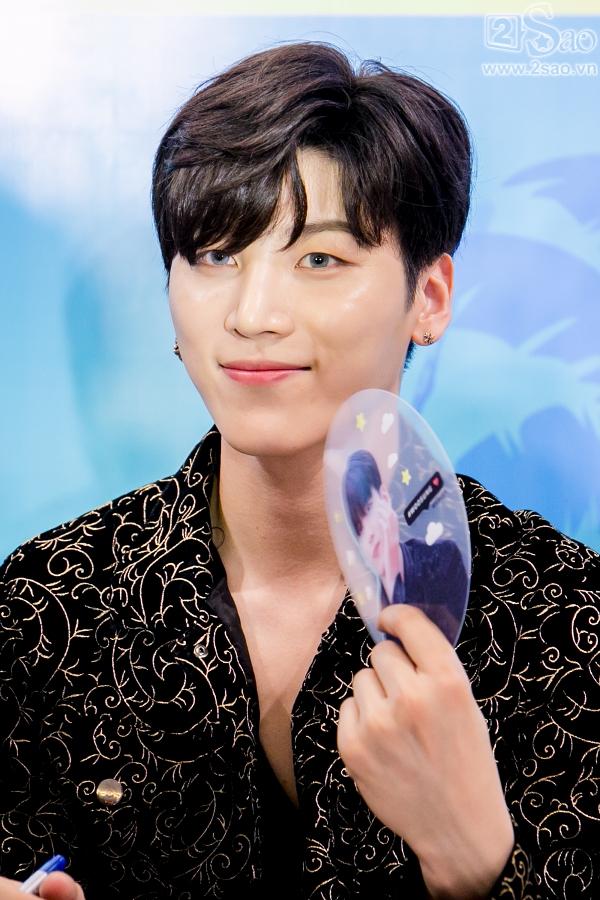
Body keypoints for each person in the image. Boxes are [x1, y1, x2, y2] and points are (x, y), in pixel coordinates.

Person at [0, 41, 598, 900]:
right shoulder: (51, 604)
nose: (252, 314)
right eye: (215, 255)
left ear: (429, 297)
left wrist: (475, 862)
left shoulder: (563, 617)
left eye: (320, 260)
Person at [343, 448, 468, 632]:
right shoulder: (363, 609)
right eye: (359, 529)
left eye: (369, 509)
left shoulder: (444, 559)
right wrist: (390, 580)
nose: (369, 534)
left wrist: (393, 573)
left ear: (384, 498)